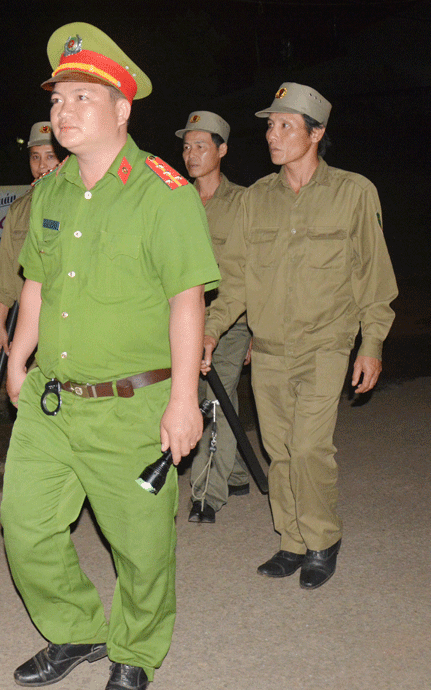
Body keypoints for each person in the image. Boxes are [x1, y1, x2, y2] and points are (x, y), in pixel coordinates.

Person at [0, 23, 220, 690]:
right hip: (52, 398)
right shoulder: (53, 190)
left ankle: (135, 651)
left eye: (80, 99)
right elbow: (36, 282)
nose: (62, 112)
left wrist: (184, 401)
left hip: (133, 404)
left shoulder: (165, 193)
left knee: (142, 548)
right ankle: (77, 630)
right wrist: (18, 354)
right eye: (56, 100)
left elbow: (189, 299)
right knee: (26, 528)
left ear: (122, 109)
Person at [202, 82, 397, 589]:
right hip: (267, 350)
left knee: (309, 447)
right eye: (270, 125)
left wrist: (371, 344)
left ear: (316, 134)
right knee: (280, 449)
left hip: (326, 344)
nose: (272, 134)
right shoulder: (256, 200)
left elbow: (373, 278)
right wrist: (210, 330)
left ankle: (322, 538)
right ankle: (290, 540)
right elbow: (237, 279)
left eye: (285, 125)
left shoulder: (354, 193)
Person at [175, 111, 251, 524]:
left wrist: (254, 330)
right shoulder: (174, 199)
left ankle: (206, 494)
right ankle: (236, 471)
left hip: (230, 321)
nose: (191, 154)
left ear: (222, 150)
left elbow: (249, 272)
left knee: (214, 400)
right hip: (181, 321)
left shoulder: (242, 203)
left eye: (201, 145)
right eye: (186, 147)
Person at [0, 121, 60, 363]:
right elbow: (6, 273)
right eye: (35, 157)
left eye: (50, 156)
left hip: (66, 323)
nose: (42, 165)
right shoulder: (19, 210)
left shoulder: (80, 203)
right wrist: (1, 326)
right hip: (28, 323)